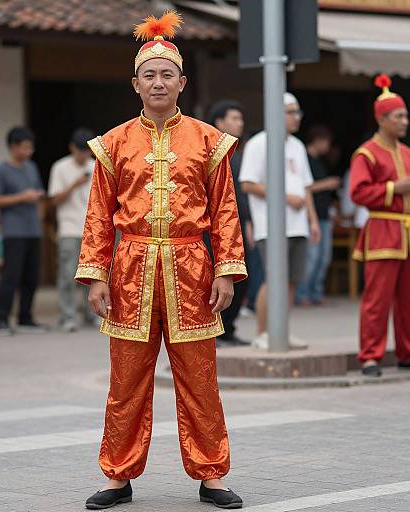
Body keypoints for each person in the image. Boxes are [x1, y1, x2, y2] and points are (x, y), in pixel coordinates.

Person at [76, 11, 246, 510]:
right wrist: (95, 275)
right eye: (148, 74)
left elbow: (226, 210)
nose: (157, 82)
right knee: (126, 380)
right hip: (130, 271)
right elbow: (98, 216)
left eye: (166, 74)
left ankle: (212, 473)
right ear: (135, 83)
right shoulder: (113, 144)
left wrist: (227, 271)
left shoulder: (210, 142)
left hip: (193, 269)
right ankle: (117, 475)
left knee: (200, 379)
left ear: (182, 82)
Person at [240, 92, 321, 350]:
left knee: (292, 280)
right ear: (276, 114)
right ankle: (263, 332)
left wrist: (313, 220)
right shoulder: (259, 143)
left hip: (298, 224)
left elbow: (306, 187)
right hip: (271, 225)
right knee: (272, 278)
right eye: (291, 112)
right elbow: (248, 183)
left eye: (298, 112)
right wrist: (285, 197)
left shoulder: (297, 145)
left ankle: (282, 330)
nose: (296, 118)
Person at [350, 74, 410, 377]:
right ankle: (370, 356)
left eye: (405, 116)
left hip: (407, 232)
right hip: (383, 231)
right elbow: (357, 192)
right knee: (377, 299)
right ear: (382, 119)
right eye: (399, 116)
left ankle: (406, 352)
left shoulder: (407, 153)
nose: (404, 121)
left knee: (408, 300)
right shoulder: (367, 153)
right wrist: (392, 189)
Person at [0, 127, 46, 335]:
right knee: (10, 276)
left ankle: (25, 317)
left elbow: (39, 195)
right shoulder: (2, 171)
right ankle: (2, 317)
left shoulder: (31, 168)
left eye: (31, 147)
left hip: (33, 230)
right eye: (25, 147)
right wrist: (22, 197)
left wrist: (37, 209)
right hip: (13, 231)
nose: (29, 151)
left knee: (31, 276)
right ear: (13, 147)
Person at [208, 100, 253, 346]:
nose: (240, 123)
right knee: (217, 278)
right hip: (213, 228)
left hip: (238, 224)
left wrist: (247, 222)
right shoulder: (212, 150)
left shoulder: (237, 153)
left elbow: (240, 195)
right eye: (234, 118)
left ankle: (229, 329)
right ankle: (216, 330)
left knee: (241, 277)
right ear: (220, 122)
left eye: (240, 119)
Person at [48, 128, 96, 332]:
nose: (84, 156)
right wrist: (74, 184)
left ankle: (90, 314)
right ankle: (67, 316)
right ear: (72, 149)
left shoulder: (96, 166)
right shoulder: (60, 167)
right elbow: (54, 200)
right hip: (69, 227)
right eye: (81, 151)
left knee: (93, 274)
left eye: (87, 152)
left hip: (92, 228)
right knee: (67, 274)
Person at [296, 126, 341, 306]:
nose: (328, 147)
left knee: (324, 256)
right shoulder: (304, 158)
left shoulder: (320, 161)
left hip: (324, 214)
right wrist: (327, 184)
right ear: (318, 140)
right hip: (309, 214)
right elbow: (304, 187)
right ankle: (302, 293)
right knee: (311, 256)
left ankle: (315, 291)